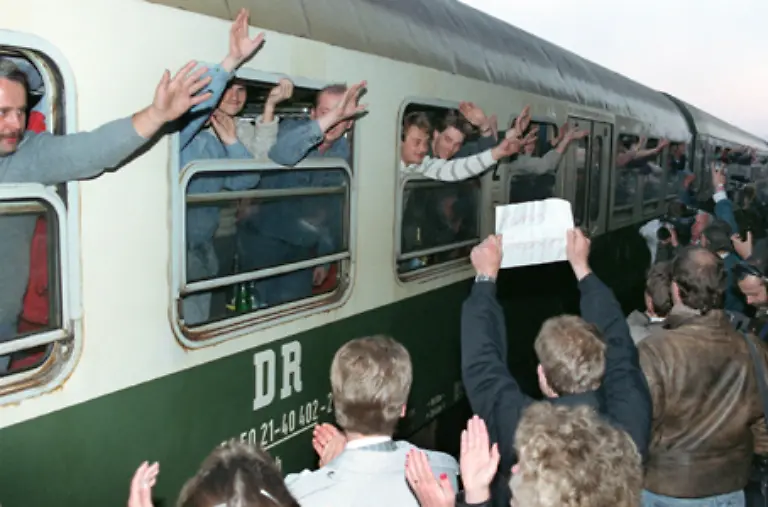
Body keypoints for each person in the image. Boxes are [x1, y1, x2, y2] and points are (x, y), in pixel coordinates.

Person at [0, 55, 213, 372]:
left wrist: (156, 115)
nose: (16, 124)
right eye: (3, 113)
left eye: (20, 111)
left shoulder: (24, 157)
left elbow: (91, 150)